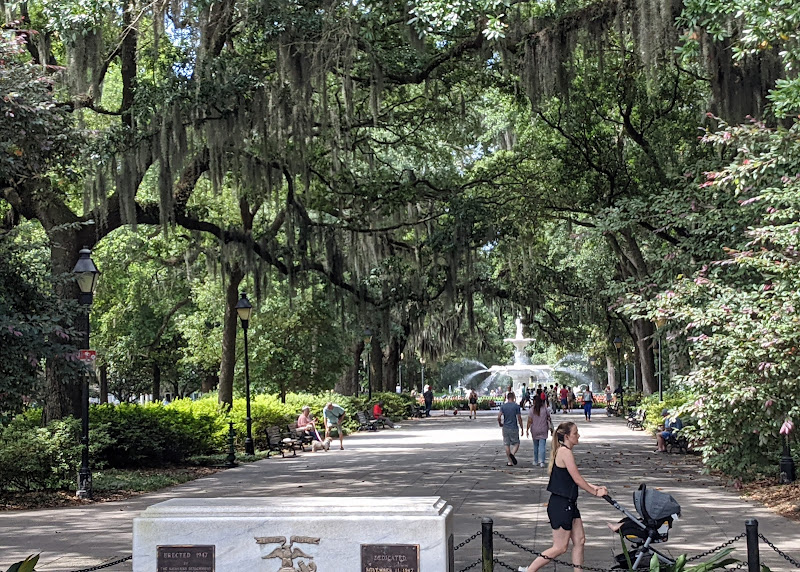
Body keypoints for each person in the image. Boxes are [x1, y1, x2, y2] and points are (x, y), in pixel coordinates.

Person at [519, 422, 608, 572]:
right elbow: (578, 479)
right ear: (566, 436)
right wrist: (594, 493)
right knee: (560, 547)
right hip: (561, 504)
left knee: (580, 540)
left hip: (569, 503)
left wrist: (595, 487)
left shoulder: (565, 451)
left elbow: (575, 478)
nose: (578, 435)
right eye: (575, 433)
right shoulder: (564, 452)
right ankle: (529, 571)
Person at [526, 394, 553, 467]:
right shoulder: (544, 409)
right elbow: (549, 418)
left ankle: (535, 460)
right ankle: (542, 462)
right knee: (542, 446)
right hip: (543, 429)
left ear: (534, 401)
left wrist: (527, 429)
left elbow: (529, 421)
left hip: (534, 429)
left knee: (535, 446)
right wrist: (551, 429)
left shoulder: (532, 410)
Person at [498, 392, 523, 466]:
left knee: (506, 444)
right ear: (514, 397)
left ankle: (509, 461)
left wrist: (500, 423)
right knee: (517, 443)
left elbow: (499, 417)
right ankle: (512, 453)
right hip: (514, 427)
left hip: (505, 427)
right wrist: (521, 427)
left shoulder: (503, 406)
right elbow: (519, 418)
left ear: (507, 398)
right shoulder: (516, 406)